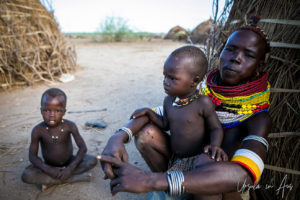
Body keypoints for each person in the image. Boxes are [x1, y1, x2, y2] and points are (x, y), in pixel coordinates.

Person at [100, 17, 271, 200]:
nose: (236, 58)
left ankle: (169, 185)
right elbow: (158, 113)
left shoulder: (258, 117)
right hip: (188, 170)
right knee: (146, 133)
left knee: (208, 163)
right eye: (230, 49)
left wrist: (150, 181)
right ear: (221, 52)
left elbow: (243, 175)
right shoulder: (203, 93)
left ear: (259, 66)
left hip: (222, 191)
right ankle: (178, 190)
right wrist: (118, 137)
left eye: (249, 55)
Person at [22, 88, 97, 190]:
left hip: (70, 162)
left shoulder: (70, 126)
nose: (52, 115)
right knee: (27, 175)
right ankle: (74, 178)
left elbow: (83, 148)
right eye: (47, 110)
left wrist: (70, 168)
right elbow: (32, 156)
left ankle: (52, 181)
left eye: (57, 111)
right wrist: (48, 170)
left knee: (92, 160)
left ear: (64, 112)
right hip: (49, 166)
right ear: (41, 110)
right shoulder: (38, 130)